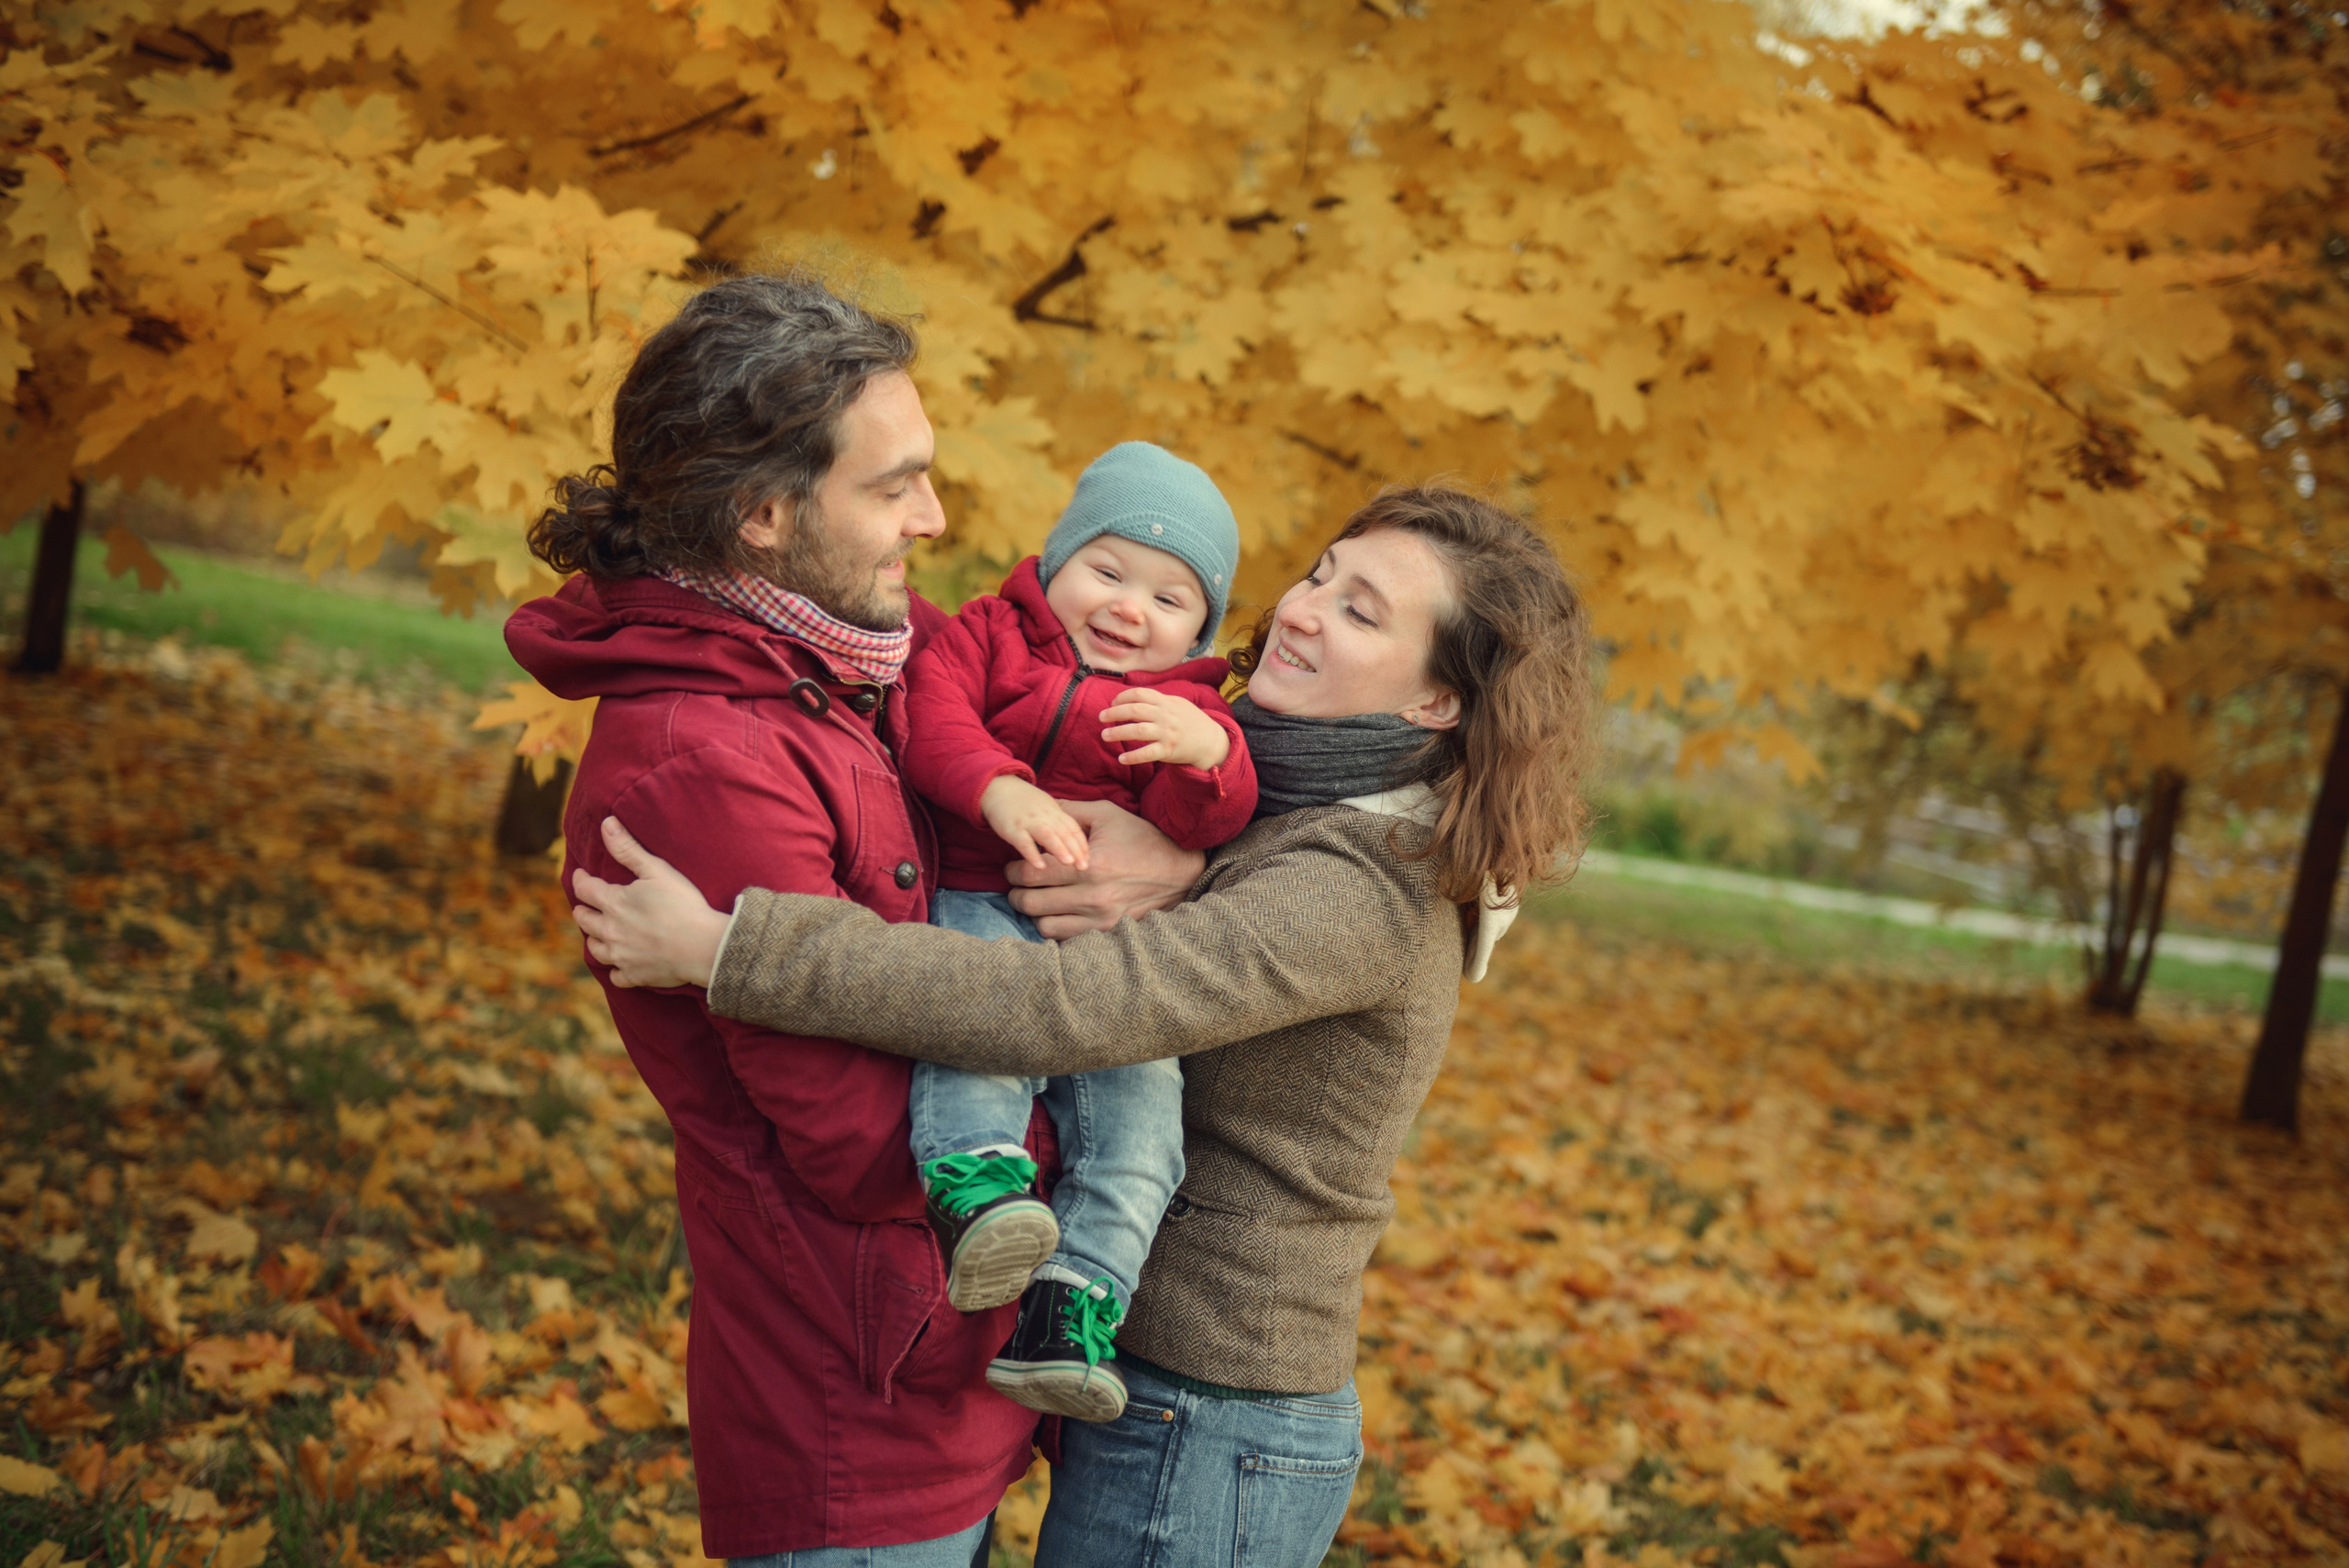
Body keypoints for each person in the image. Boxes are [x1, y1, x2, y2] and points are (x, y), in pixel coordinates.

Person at [569, 486, 1598, 1568]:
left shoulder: (1362, 886)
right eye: (1320, 574)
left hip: (1215, 1411)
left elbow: (1060, 1008)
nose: (1302, 610)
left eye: (1362, 613)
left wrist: (738, 949)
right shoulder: (1276, 792)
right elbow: (1000, 658)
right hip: (1140, 1375)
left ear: (1438, 701)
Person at [502, 272, 1167, 1567]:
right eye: (893, 483)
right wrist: (1087, 1084)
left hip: (935, 1368)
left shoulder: (847, 657)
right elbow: (870, 1146)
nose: (935, 516)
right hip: (854, 1402)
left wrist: (1161, 859)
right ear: (761, 513)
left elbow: (1071, 723)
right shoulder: (706, 760)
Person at [897, 439, 1257, 1425]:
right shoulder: (990, 631)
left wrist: (1208, 756)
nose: (1129, 607)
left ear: (1200, 627)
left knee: (1144, 1113)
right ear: (1056, 562)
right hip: (985, 890)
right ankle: (978, 1187)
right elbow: (930, 718)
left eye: (1170, 597)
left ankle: (1074, 1302)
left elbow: (1204, 825)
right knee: (982, 1029)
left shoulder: (1181, 707)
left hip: (1110, 956)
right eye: (1107, 569)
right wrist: (1000, 787)